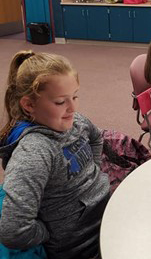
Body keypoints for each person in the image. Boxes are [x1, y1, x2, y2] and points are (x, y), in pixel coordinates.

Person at [0, 50, 110, 259]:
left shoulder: (76, 120)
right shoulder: (34, 152)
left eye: (75, 96)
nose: (72, 108)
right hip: (83, 247)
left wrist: (95, 169)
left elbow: (96, 137)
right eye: (60, 102)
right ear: (29, 105)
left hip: (107, 215)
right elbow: (12, 231)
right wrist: (48, 233)